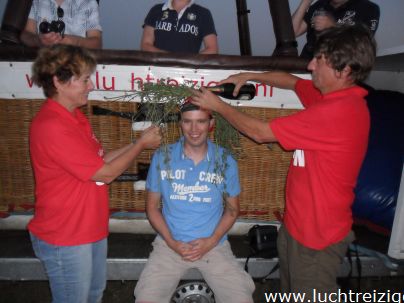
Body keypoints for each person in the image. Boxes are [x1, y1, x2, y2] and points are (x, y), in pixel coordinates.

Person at [191, 25, 376, 297]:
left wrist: (218, 106)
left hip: (317, 238)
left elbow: (261, 133)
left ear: (345, 70)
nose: (311, 65)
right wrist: (250, 75)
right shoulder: (331, 97)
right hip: (296, 227)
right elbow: (291, 81)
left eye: (319, 61)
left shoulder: (339, 111)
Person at [29, 44, 161, 303]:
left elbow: (99, 161)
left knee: (93, 296)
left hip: (88, 229)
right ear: (59, 81)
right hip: (65, 236)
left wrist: (138, 141)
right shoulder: (51, 125)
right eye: (85, 79)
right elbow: (106, 173)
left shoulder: (75, 118)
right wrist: (140, 146)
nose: (91, 86)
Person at [134, 102, 254, 302]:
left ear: (211, 124)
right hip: (169, 246)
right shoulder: (163, 156)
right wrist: (172, 242)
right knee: (146, 298)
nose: (194, 129)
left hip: (214, 246)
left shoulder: (224, 160)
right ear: (181, 124)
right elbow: (152, 208)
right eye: (188, 122)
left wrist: (212, 240)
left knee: (241, 298)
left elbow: (232, 210)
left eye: (201, 122)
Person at [292, 0, 379, 58]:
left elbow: (364, 45)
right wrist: (305, 2)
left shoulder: (369, 8)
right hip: (306, 64)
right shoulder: (319, 5)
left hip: (339, 67)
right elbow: (292, 32)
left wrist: (333, 26)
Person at [140, 0, 218, 54]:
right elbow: (145, 44)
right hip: (157, 72)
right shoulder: (156, 10)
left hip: (189, 73)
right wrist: (168, 57)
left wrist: (189, 61)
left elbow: (212, 49)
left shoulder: (203, 13)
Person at [20, 0, 102, 49]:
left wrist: (74, 42)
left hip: (76, 65)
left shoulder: (89, 2)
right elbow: (26, 35)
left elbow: (97, 43)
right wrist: (39, 40)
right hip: (44, 64)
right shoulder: (37, 1)